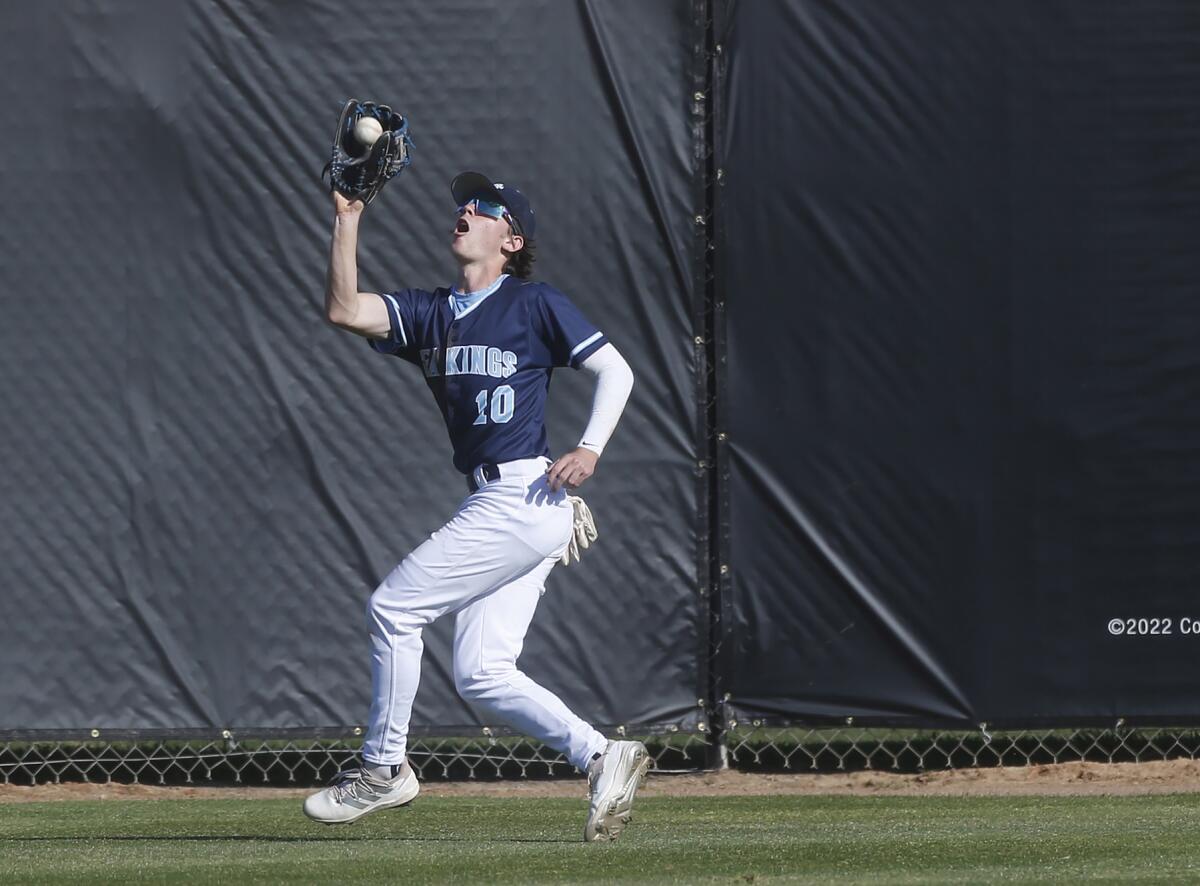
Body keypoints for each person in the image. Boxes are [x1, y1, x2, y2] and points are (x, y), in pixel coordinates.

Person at [302, 172, 644, 842]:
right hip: (513, 501)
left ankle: (382, 769)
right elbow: (344, 310)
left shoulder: (532, 303)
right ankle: (603, 757)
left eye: (485, 208)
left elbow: (617, 370)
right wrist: (348, 219)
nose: (467, 210)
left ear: (511, 240)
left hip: (521, 494)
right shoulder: (431, 313)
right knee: (482, 674)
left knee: (394, 609)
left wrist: (591, 448)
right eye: (463, 203)